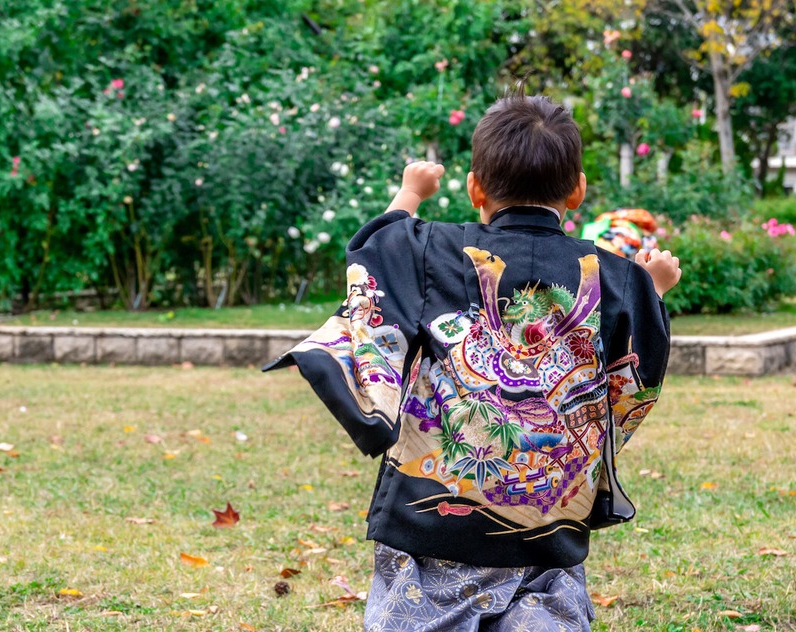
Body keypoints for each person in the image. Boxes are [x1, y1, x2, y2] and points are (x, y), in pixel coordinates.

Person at [264, 92, 681, 631]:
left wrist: (409, 193)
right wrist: (654, 288)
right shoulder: (614, 276)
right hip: (546, 523)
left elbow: (381, 252)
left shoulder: (435, 248)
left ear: (473, 188)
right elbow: (633, 376)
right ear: (577, 191)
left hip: (432, 514)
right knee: (548, 611)